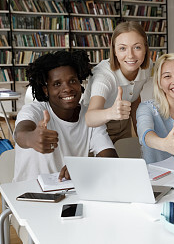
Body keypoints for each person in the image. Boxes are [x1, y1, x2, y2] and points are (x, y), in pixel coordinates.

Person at [14, 51, 118, 182]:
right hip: (28, 194)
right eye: (57, 84)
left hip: (70, 193)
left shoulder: (90, 116)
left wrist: (84, 166)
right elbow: (20, 134)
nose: (67, 88)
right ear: (46, 90)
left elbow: (110, 157)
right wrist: (32, 138)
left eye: (72, 81)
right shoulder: (34, 110)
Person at [83, 21, 151, 143]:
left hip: (123, 120)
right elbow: (89, 118)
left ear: (145, 48)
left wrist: (142, 138)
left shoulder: (146, 67)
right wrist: (111, 113)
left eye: (137, 47)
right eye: (122, 48)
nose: (130, 55)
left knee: (127, 157)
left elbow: (134, 97)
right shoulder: (104, 75)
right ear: (114, 51)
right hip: (97, 126)